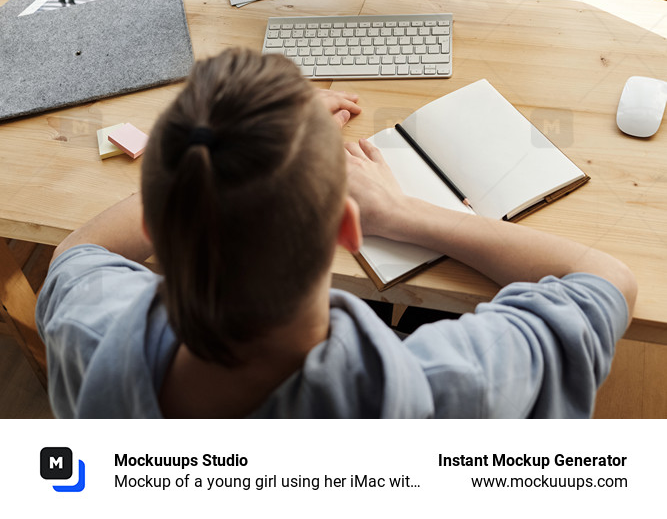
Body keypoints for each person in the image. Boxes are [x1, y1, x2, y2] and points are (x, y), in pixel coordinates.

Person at [36, 49, 636, 418]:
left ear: (154, 228)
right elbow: (609, 280)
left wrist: (232, 147)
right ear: (348, 226)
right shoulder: (450, 390)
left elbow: (75, 255)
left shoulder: (88, 327)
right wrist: (404, 212)